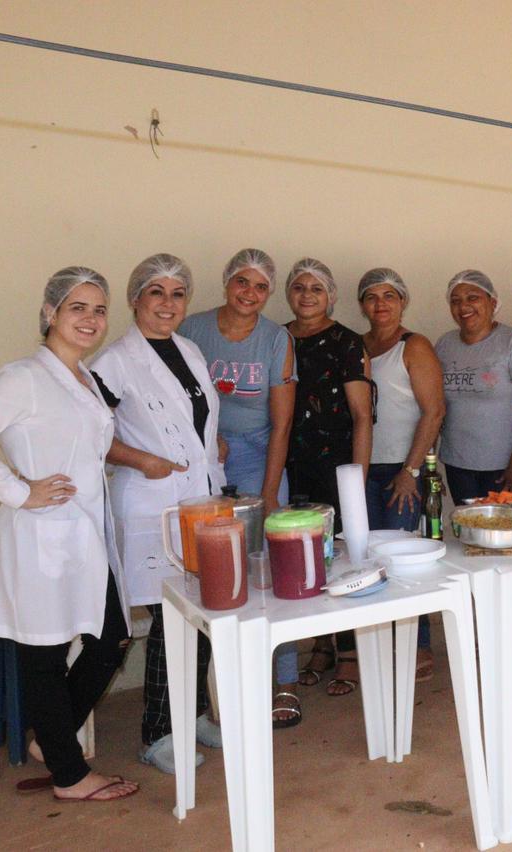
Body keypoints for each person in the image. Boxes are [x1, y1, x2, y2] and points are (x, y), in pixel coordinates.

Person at [0, 267, 139, 802]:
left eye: (99, 309)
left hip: (84, 538)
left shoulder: (85, 379)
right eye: (78, 306)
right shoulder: (24, 376)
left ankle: (51, 742)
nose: (90, 319)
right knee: (45, 656)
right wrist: (17, 490)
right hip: (40, 537)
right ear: (51, 313)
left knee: (110, 638)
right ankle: (70, 776)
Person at [89, 254, 225, 773]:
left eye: (177, 294)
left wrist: (214, 444)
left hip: (199, 496)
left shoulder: (188, 350)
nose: (167, 304)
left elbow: (197, 418)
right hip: (151, 502)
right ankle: (158, 733)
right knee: (172, 617)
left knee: (205, 607)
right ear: (135, 299)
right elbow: (92, 435)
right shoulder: (113, 361)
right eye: (156, 293)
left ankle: (193, 717)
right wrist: (139, 458)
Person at [179, 249, 300, 727]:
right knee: (211, 570)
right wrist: (209, 438)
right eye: (242, 282)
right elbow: (175, 396)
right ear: (227, 282)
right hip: (206, 455)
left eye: (260, 287)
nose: (249, 293)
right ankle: (226, 688)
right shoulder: (194, 330)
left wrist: (270, 490)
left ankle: (285, 683)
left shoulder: (276, 339)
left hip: (260, 452)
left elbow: (282, 422)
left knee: (275, 565)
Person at [282, 258, 374, 697]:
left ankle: (351, 653)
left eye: (316, 287)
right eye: (299, 287)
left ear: (331, 295)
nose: (307, 294)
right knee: (305, 557)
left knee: (341, 557)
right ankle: (321, 644)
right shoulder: (277, 338)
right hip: (292, 463)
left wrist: (356, 478)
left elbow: (362, 416)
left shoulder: (347, 341)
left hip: (337, 465)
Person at [359, 268, 446, 680]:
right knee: (370, 561)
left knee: (405, 560)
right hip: (365, 470)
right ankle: (383, 644)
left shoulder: (415, 346)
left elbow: (434, 411)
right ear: (362, 304)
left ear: (402, 301)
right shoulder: (357, 346)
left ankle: (419, 645)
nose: (381, 304)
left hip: (403, 470)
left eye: (390, 295)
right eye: (372, 297)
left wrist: (411, 470)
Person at [435, 269, 512, 503]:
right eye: (456, 301)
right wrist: (430, 463)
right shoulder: (445, 344)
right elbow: (435, 407)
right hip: (458, 465)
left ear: (492, 302)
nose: (463, 306)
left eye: (472, 298)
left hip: (505, 469)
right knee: (469, 532)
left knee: (505, 535)